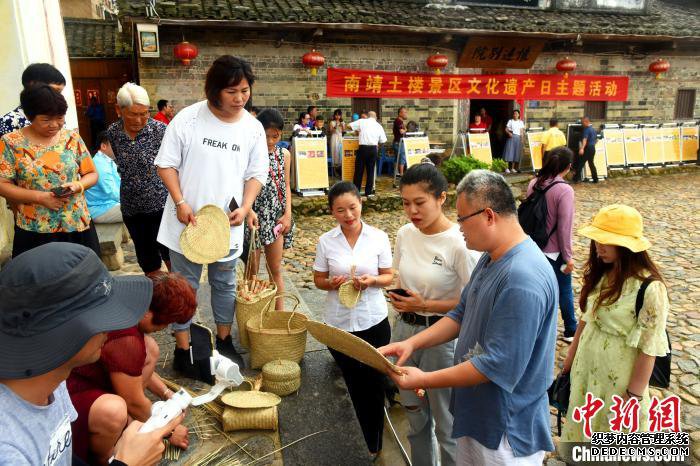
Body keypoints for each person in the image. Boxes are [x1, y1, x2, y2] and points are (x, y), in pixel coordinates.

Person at [381, 170, 558, 465]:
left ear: (489, 215)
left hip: (504, 430)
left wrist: (425, 379)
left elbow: (496, 365)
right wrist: (411, 344)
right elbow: (461, 313)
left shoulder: (522, 278)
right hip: (478, 415)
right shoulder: (491, 255)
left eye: (462, 219)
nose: (459, 227)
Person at [0, 242, 184, 466]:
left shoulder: (54, 381)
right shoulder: (8, 448)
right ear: (61, 335)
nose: (111, 328)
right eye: (102, 317)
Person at [155, 55, 268, 373]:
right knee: (184, 286)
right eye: (232, 91)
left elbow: (256, 173)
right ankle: (183, 348)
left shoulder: (252, 128)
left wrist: (246, 206)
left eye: (244, 90)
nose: (240, 98)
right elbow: (166, 165)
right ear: (214, 90)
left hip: (227, 222)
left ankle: (224, 339)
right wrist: (180, 201)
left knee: (224, 283)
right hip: (188, 220)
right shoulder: (188, 119)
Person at [388, 163, 480, 466]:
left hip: (441, 339)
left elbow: (473, 302)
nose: (412, 211)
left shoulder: (460, 243)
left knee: (446, 422)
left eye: (419, 202)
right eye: (406, 203)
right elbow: (399, 275)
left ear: (441, 198)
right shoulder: (405, 234)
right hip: (404, 332)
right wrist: (401, 298)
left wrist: (426, 304)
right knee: (415, 416)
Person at [560, 205, 669, 447]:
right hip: (586, 369)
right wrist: (569, 361)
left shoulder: (650, 288)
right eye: (597, 239)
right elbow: (585, 321)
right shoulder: (603, 272)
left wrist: (633, 396)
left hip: (619, 378)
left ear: (627, 245)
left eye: (608, 241)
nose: (599, 246)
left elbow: (649, 348)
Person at [67, 272, 196, 463]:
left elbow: (130, 369)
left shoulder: (131, 306)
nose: (164, 328)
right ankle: (105, 457)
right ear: (148, 313)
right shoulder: (126, 337)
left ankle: (125, 423)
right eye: (165, 322)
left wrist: (166, 393)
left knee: (150, 348)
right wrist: (168, 430)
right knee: (115, 411)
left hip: (90, 376)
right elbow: (134, 401)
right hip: (72, 393)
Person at [313, 181, 394, 459]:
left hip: (373, 320)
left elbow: (388, 276)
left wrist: (372, 281)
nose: (348, 215)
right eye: (340, 210)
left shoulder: (378, 237)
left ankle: (373, 442)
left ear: (361, 203)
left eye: (352, 207)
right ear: (332, 212)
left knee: (373, 382)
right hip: (339, 324)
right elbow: (318, 279)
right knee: (353, 381)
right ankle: (359, 434)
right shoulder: (326, 241)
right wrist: (331, 284)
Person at [0, 84, 100, 258]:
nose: (54, 125)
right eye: (46, 120)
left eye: (60, 118)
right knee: (38, 273)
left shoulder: (72, 138)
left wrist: (78, 185)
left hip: (76, 221)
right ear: (29, 116)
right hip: (35, 227)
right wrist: (40, 197)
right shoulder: (11, 142)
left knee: (83, 272)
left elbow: (91, 174)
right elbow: (2, 184)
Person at [107, 83, 170, 275]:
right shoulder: (113, 132)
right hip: (132, 208)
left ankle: (178, 292)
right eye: (133, 114)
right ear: (119, 110)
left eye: (144, 113)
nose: (140, 119)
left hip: (162, 206)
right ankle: (158, 292)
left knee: (171, 256)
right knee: (147, 260)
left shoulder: (161, 131)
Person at [527, 147, 577, 343]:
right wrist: (568, 256)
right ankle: (571, 329)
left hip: (532, 246)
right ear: (568, 167)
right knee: (564, 289)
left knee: (535, 289)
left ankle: (534, 327)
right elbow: (564, 227)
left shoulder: (534, 183)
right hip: (554, 251)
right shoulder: (564, 190)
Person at [245, 109, 294, 310]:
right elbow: (240, 185)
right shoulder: (249, 153)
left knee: (275, 269)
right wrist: (247, 210)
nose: (271, 141)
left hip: (275, 217)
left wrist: (287, 214)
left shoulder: (285, 155)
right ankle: (251, 312)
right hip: (254, 218)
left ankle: (279, 314)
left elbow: (286, 185)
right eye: (267, 136)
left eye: (276, 136)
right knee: (252, 271)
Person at [0, 63, 66, 137]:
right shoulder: (9, 122)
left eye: (60, 92)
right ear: (32, 85)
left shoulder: (58, 115)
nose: (57, 96)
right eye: (54, 90)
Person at [85, 131, 122, 224]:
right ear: (103, 146)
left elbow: (119, 184)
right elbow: (111, 192)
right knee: (140, 210)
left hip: (109, 204)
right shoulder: (100, 164)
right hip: (100, 209)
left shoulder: (107, 161)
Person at [348, 111, 387, 196]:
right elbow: (383, 140)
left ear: (368, 116)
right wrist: (377, 144)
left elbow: (349, 125)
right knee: (370, 171)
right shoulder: (378, 125)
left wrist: (358, 130)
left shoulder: (362, 121)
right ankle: (368, 192)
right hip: (373, 149)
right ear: (375, 117)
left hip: (363, 148)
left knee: (359, 171)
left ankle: (356, 191)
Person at [574, 116, 599, 183]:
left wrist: (582, 148)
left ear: (586, 122)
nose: (582, 124)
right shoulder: (593, 129)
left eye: (582, 122)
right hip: (592, 148)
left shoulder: (586, 130)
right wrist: (592, 145)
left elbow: (585, 139)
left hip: (587, 148)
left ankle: (576, 179)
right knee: (591, 163)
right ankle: (595, 179)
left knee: (581, 163)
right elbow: (597, 140)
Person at [503, 109, 525, 173]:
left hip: (518, 138)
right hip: (511, 137)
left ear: (519, 115)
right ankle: (506, 168)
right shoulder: (510, 121)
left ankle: (512, 168)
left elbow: (521, 131)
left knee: (515, 153)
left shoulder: (520, 122)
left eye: (516, 114)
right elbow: (506, 129)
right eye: (514, 114)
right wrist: (509, 133)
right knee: (509, 152)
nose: (515, 115)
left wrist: (522, 139)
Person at [392, 107, 408, 176]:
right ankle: (401, 174)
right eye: (404, 112)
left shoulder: (399, 121)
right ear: (400, 113)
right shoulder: (398, 121)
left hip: (397, 142)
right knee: (402, 158)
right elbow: (401, 131)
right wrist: (407, 129)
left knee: (397, 158)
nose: (406, 114)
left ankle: (396, 173)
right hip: (399, 143)